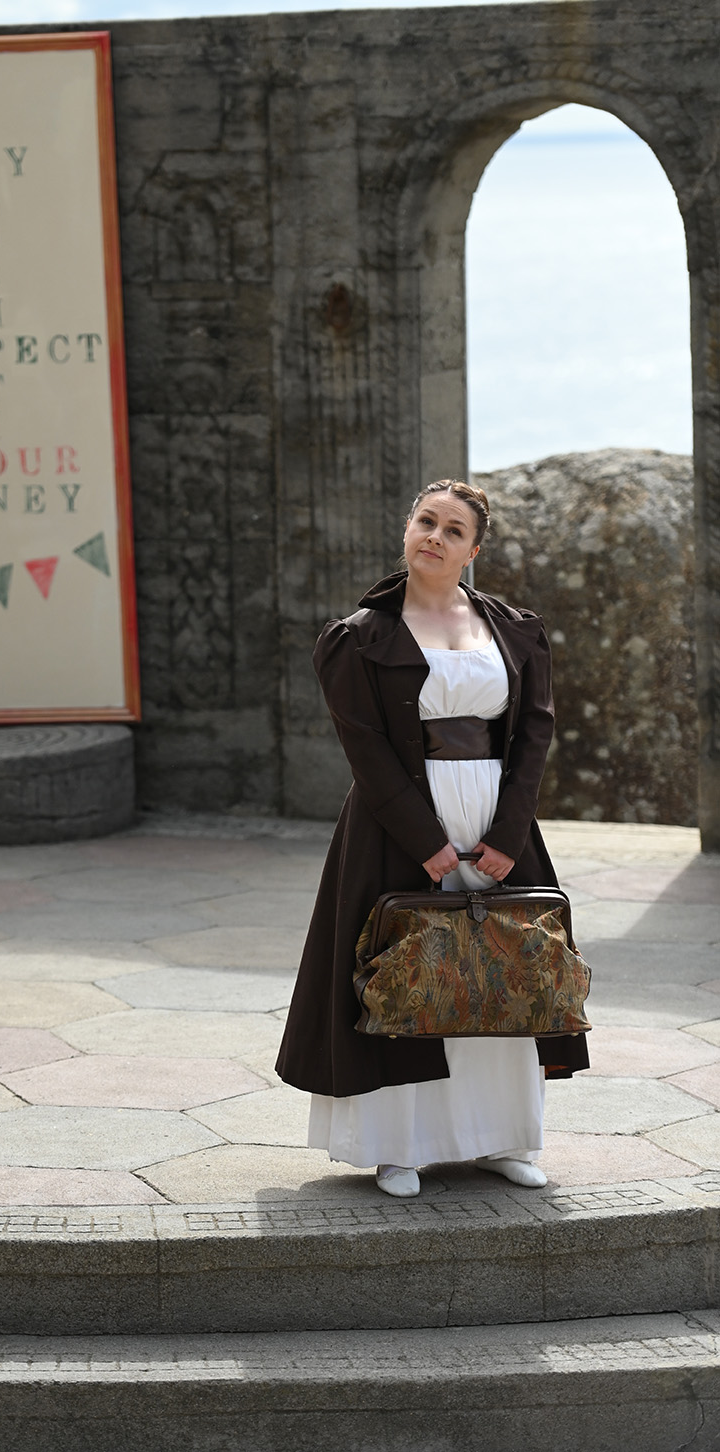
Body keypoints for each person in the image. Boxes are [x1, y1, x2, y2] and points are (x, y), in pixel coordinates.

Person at [275, 479, 588, 1198]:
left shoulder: (516, 629)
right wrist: (427, 842)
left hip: (494, 813)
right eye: (426, 521)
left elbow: (534, 733)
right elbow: (367, 749)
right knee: (402, 970)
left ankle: (505, 1137)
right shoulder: (357, 638)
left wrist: (508, 833)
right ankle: (398, 1147)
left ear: (473, 549)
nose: (435, 537)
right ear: (407, 530)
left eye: (453, 530)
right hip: (399, 819)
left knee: (504, 966)